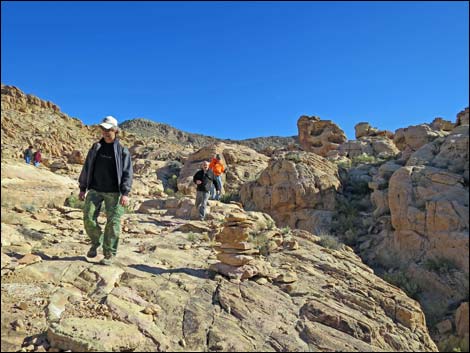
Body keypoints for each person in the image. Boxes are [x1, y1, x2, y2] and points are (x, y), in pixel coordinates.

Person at [78, 115, 133, 265]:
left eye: (108, 129)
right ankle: (97, 241)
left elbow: (128, 173)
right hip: (95, 189)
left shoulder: (122, 151)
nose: (105, 132)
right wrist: (82, 188)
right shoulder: (96, 147)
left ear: (115, 130)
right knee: (88, 218)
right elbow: (87, 167)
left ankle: (109, 254)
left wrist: (125, 193)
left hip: (114, 193)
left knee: (113, 223)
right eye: (103, 129)